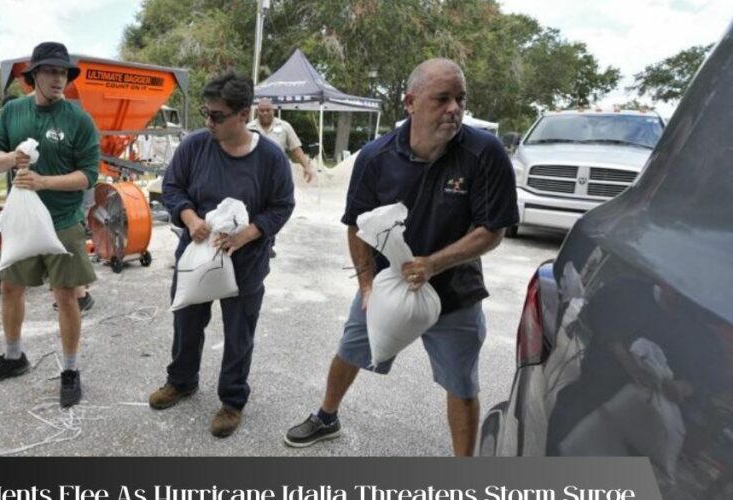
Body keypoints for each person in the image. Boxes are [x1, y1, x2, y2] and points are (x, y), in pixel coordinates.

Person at [283, 58, 518, 455]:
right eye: (441, 99)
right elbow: (356, 226)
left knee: (462, 383)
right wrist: (366, 286)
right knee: (350, 349)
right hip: (385, 284)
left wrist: (433, 264)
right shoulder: (376, 157)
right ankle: (326, 416)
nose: (454, 109)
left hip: (454, 292)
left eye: (460, 98)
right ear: (410, 103)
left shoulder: (485, 153)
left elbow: (492, 230)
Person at [148, 73, 295, 438]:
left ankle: (232, 400)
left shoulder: (271, 159)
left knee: (238, 332)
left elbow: (282, 205)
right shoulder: (196, 146)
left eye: (217, 115)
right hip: (195, 257)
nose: (209, 122)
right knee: (186, 322)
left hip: (245, 262)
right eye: (206, 113)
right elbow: (172, 186)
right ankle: (181, 381)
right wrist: (190, 217)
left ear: (243, 115)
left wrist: (248, 234)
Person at [0, 42, 101, 409]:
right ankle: (14, 357)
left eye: (63, 72)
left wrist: (45, 181)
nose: (59, 78)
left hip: (62, 221)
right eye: (51, 71)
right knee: (10, 287)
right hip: (22, 219)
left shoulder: (78, 118)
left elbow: (88, 176)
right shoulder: (13, 111)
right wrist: (9, 159)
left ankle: (71, 371)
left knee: (66, 296)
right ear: (34, 76)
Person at [248, 97, 315, 258]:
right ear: (257, 111)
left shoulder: (284, 127)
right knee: (256, 208)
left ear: (274, 110)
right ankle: (258, 240)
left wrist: (307, 166)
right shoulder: (249, 127)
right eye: (262, 110)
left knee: (274, 209)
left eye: (268, 110)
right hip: (254, 175)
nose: (264, 113)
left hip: (277, 177)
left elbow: (296, 148)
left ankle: (269, 242)